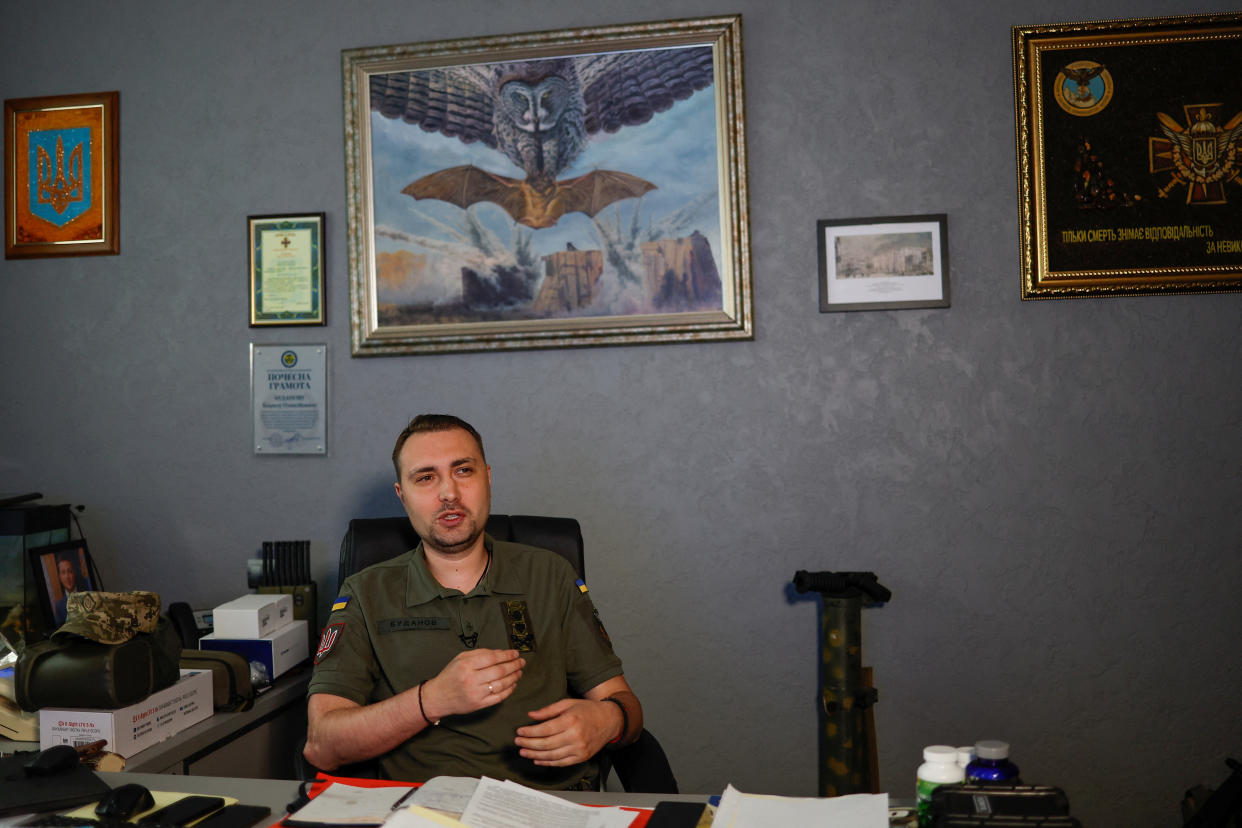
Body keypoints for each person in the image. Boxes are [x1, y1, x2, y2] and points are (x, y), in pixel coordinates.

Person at [304, 414, 642, 789]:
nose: (449, 492)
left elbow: (624, 703)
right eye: (426, 477)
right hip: (424, 811)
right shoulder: (366, 592)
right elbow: (322, 745)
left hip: (552, 807)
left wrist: (607, 720)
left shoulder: (550, 574)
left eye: (463, 470)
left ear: (488, 478)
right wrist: (431, 699)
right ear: (403, 495)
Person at [52, 553, 85, 626]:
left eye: (69, 571)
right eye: (63, 573)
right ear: (60, 577)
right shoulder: (59, 607)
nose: (67, 577)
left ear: (74, 573)